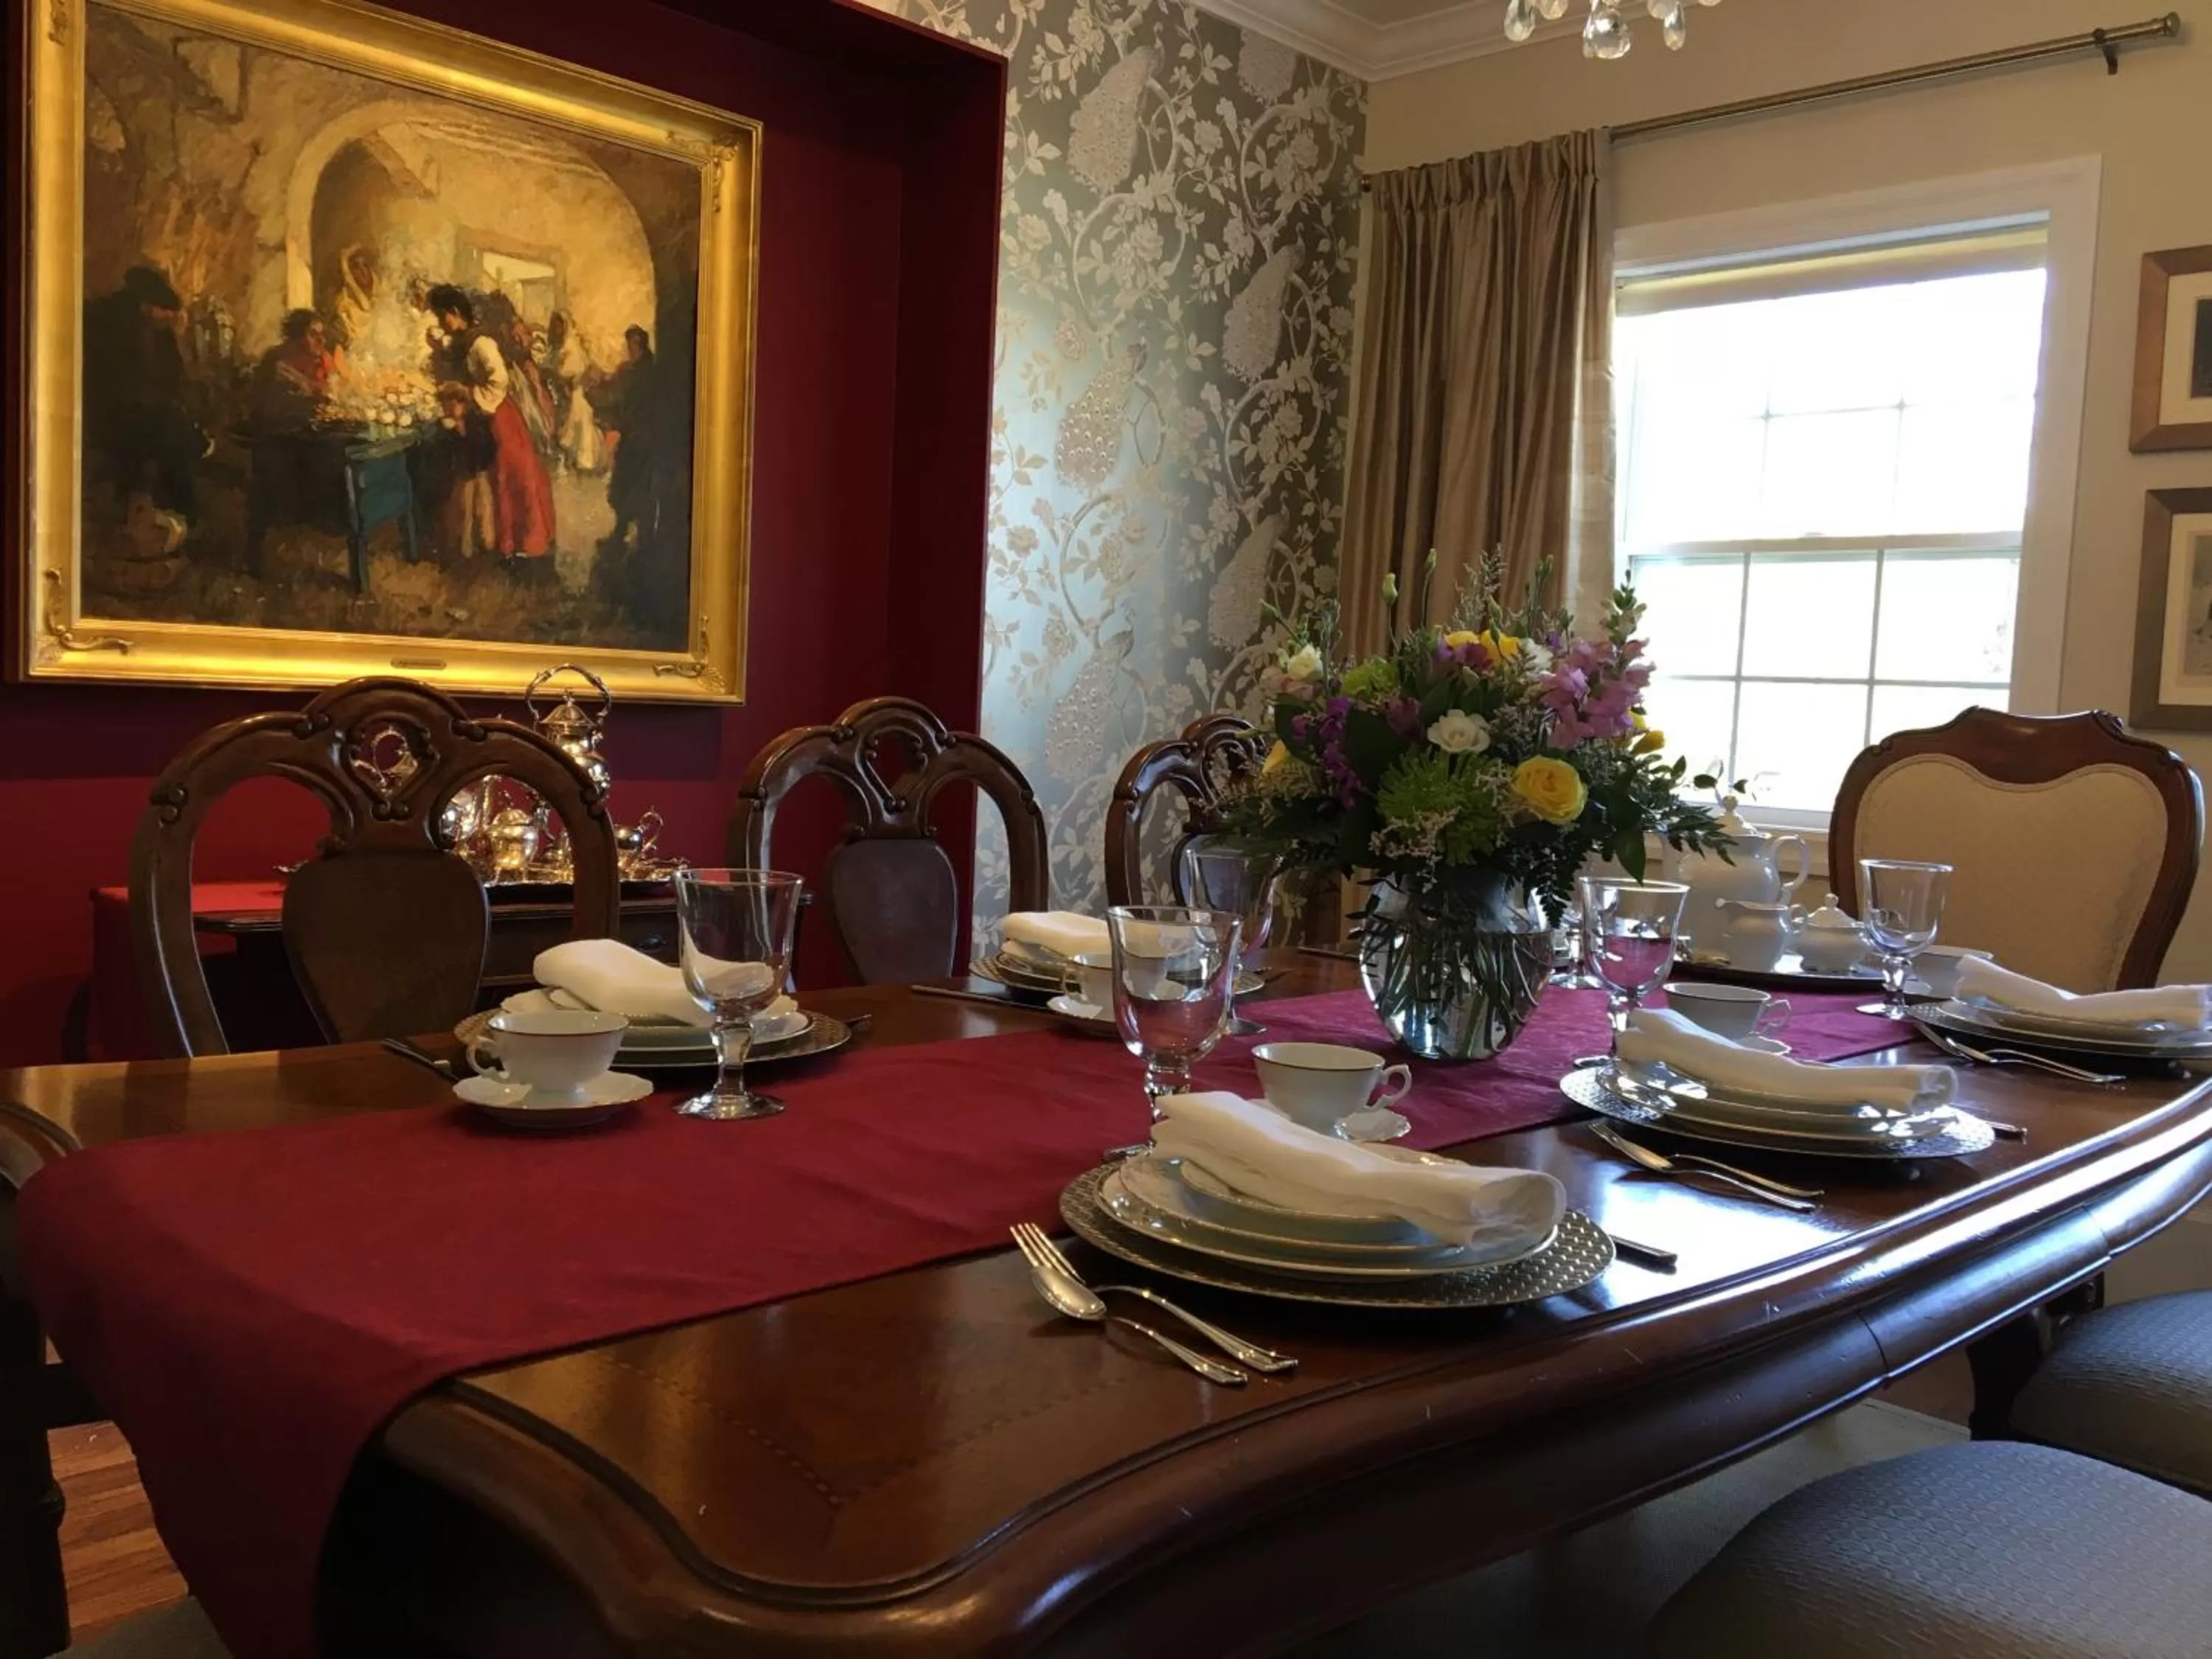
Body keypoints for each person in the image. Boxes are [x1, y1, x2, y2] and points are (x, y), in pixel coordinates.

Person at [425, 283, 554, 558]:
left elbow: (500, 381)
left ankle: (518, 541)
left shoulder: (481, 342)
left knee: (509, 474)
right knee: (487, 476)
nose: (440, 323)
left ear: (456, 312)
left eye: (441, 316)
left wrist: (467, 392)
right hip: (482, 414)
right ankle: (488, 541)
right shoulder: (462, 342)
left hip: (498, 414)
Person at [81, 264, 206, 518]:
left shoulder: (159, 333)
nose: (170, 317)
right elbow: (110, 382)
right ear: (146, 306)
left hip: (149, 410)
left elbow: (175, 376)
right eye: (165, 311)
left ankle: (177, 510)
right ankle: (183, 511)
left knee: (174, 425)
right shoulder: (108, 326)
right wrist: (156, 405)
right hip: (111, 414)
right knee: (170, 432)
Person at [593, 324, 667, 552]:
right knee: (625, 487)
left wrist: (616, 417)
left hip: (642, 439)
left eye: (631, 345)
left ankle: (639, 539)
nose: (629, 349)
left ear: (639, 344)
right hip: (634, 438)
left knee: (637, 488)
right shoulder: (633, 369)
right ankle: (623, 533)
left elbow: (633, 404)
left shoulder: (645, 372)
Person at [543, 311, 603, 473]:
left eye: (559, 325)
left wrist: (559, 376)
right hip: (561, 392)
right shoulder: (556, 346)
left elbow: (572, 371)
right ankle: (570, 460)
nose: (557, 329)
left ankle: (584, 461)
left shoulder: (570, 346)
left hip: (574, 392)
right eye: (554, 325)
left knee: (578, 421)